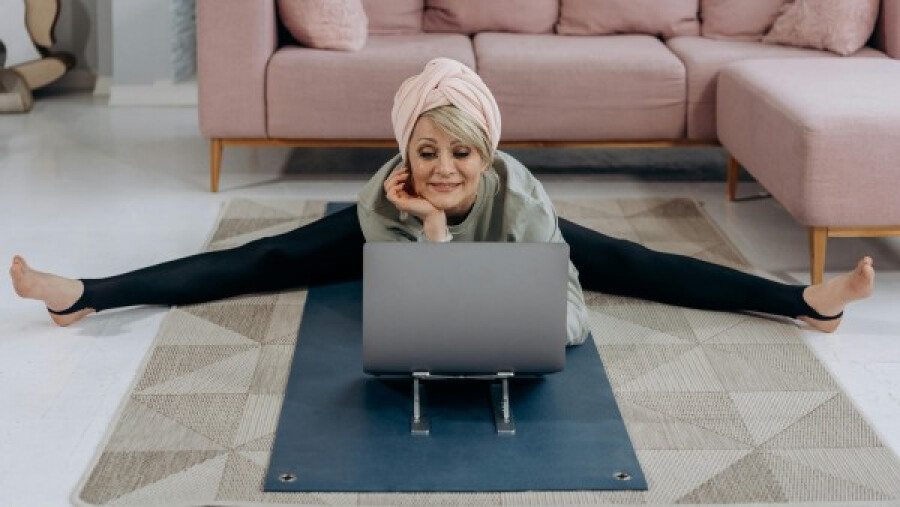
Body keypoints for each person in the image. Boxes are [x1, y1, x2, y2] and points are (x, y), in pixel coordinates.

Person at [10, 58, 874, 344]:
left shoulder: (517, 195)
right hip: (395, 234)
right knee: (260, 259)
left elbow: (571, 323)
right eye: (428, 152)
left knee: (636, 265)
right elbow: (419, 314)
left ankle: (803, 302)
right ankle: (84, 294)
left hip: (509, 239)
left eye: (463, 153)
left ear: (489, 155)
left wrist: (474, 252)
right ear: (403, 153)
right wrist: (425, 228)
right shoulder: (386, 200)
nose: (446, 169)